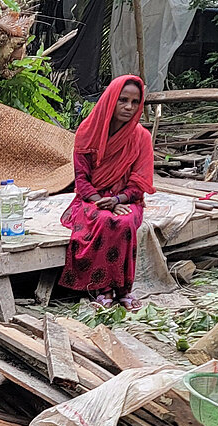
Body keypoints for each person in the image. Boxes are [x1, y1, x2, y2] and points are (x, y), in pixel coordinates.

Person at [59, 74, 154, 310]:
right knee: (104, 220)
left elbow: (139, 182)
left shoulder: (141, 137)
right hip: (92, 199)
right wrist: (103, 201)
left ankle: (123, 290)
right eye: (123, 100)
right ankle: (102, 289)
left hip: (125, 198)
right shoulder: (87, 132)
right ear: (111, 99)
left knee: (124, 222)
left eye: (134, 102)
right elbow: (81, 180)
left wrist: (119, 199)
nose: (129, 107)